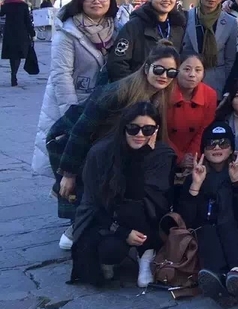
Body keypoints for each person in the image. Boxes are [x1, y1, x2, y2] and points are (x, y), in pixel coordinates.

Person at [48, 43, 179, 225]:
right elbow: (81, 131)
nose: (164, 76)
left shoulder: (160, 97)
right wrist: (68, 174)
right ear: (147, 67)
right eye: (159, 69)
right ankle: (81, 227)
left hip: (105, 145)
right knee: (85, 193)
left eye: (171, 72)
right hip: (75, 140)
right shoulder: (117, 92)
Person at [68, 102, 175, 288]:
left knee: (139, 203)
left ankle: (146, 254)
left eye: (148, 129)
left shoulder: (161, 154)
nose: (140, 135)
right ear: (124, 127)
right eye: (133, 128)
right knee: (111, 251)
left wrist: (142, 156)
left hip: (143, 215)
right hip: (106, 216)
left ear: (156, 130)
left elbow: (147, 195)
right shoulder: (101, 153)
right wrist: (121, 231)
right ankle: (112, 257)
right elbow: (93, 201)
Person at [34, 0, 117, 181]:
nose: (97, 1)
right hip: (77, 104)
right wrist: (71, 114)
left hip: (104, 104)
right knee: (73, 161)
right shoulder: (68, 32)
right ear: (81, 0)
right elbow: (61, 75)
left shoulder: (116, 29)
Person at [179, 122, 238, 307]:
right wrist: (195, 186)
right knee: (208, 228)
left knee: (226, 221)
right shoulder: (194, 176)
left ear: (232, 149)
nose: (217, 148)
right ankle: (224, 278)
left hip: (235, 232)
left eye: (223, 143)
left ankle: (234, 272)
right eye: (211, 144)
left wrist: (237, 182)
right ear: (204, 149)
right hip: (206, 235)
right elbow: (186, 217)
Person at [107, 0, 186, 82]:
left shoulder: (178, 27)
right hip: (137, 90)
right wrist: (133, 89)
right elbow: (118, 63)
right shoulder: (134, 26)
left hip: (168, 90)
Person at [181, 0, 238, 96]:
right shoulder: (185, 18)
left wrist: (227, 90)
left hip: (216, 85)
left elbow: (230, 60)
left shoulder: (230, 22)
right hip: (187, 83)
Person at [167, 54, 218, 167]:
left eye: (198, 70)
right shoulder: (165, 90)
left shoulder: (210, 95)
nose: (192, 75)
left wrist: (192, 157)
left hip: (194, 155)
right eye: (186, 69)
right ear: (176, 70)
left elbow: (204, 130)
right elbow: (161, 132)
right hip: (166, 151)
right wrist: (179, 158)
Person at [1, 0, 34, 87]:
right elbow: (27, 21)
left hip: (9, 33)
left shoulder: (6, 5)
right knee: (18, 54)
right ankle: (14, 74)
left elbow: (1, 14)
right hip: (21, 33)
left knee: (12, 55)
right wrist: (32, 33)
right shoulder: (23, 5)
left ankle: (13, 74)